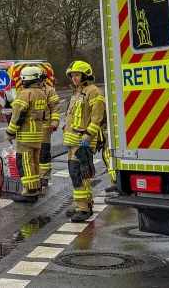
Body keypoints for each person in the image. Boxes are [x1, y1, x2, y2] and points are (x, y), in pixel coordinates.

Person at [63, 61, 106, 222]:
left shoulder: (94, 92)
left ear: (85, 75)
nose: (74, 78)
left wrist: (88, 138)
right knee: (82, 173)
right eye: (72, 75)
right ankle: (83, 203)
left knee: (78, 174)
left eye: (76, 75)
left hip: (83, 142)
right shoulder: (78, 93)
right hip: (74, 141)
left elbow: (97, 118)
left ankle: (83, 209)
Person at [5, 66, 55, 203]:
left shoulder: (24, 94)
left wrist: (10, 132)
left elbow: (18, 116)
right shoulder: (42, 93)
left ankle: (29, 192)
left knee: (25, 163)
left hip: (26, 134)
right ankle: (36, 189)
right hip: (38, 133)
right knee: (34, 162)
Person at [39, 78, 62, 189]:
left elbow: (55, 107)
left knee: (43, 152)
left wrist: (54, 122)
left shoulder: (49, 91)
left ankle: (44, 177)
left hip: (45, 126)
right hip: (30, 127)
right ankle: (35, 176)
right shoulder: (27, 90)